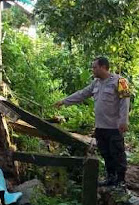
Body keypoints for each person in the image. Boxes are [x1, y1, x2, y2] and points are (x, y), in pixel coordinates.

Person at [55, 57, 130, 186]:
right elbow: (82, 94)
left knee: (117, 153)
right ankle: (110, 177)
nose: (92, 70)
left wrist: (123, 121)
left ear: (103, 67)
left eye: (94, 67)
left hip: (114, 127)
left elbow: (125, 101)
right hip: (100, 127)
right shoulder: (96, 83)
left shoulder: (121, 81)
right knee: (106, 154)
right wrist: (64, 101)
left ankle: (120, 180)